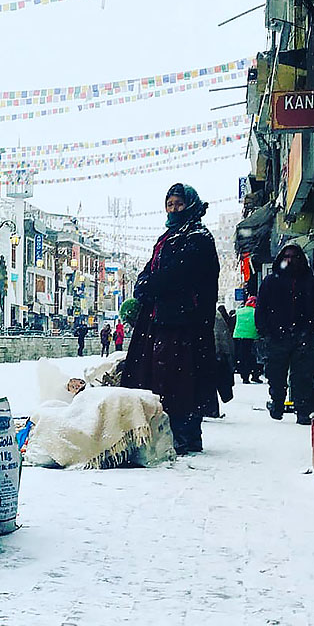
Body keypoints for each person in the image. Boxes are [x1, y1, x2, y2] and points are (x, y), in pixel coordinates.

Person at [121, 183, 219, 455]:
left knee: (182, 380)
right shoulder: (170, 236)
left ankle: (186, 434)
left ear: (190, 205)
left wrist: (151, 286)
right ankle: (169, 431)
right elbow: (150, 271)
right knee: (162, 378)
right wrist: (143, 284)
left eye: (179, 204)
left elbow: (178, 276)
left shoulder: (197, 237)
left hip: (184, 323)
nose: (174, 209)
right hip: (162, 319)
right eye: (170, 204)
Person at [255, 244, 314, 426]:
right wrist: (265, 331)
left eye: (294, 256)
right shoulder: (271, 281)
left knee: (303, 376)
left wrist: (313, 331)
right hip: (278, 337)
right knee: (276, 374)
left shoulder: (310, 281)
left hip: (304, 336)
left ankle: (302, 410)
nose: (290, 260)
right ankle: (277, 403)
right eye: (287, 256)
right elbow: (261, 308)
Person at [233, 296, 262, 383]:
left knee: (242, 357)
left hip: (238, 336)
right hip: (252, 337)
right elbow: (260, 324)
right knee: (254, 357)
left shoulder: (239, 311)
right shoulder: (256, 312)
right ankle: (255, 375)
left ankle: (245, 377)